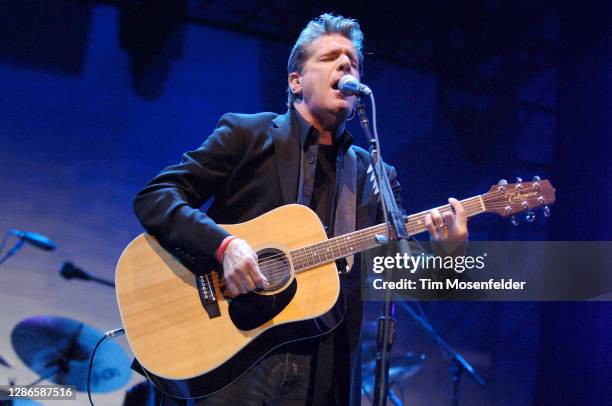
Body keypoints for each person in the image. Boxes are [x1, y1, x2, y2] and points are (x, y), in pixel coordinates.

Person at [133, 13, 468, 406]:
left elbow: (402, 279)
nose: (346, 64)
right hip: (236, 355)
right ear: (296, 81)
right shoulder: (248, 135)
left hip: (323, 370)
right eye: (331, 57)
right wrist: (224, 247)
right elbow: (156, 196)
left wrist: (448, 254)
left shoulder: (373, 174)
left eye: (353, 61)